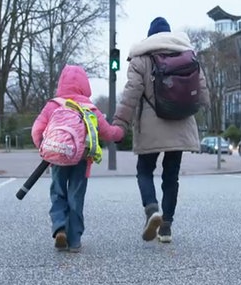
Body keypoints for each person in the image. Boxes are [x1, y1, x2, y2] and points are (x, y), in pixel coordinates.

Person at [113, 17, 210, 243]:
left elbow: (131, 94)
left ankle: (151, 209)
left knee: (144, 170)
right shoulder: (187, 55)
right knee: (171, 176)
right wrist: (203, 106)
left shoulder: (141, 58)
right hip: (181, 122)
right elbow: (202, 89)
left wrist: (120, 123)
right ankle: (166, 226)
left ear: (151, 36)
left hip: (151, 125)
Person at [31, 64, 124, 252]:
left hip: (57, 156)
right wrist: (120, 132)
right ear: (85, 85)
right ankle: (74, 240)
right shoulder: (89, 108)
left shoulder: (53, 105)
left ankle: (59, 228)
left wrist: (45, 147)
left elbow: (37, 130)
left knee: (57, 191)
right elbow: (107, 132)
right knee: (76, 195)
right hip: (81, 159)